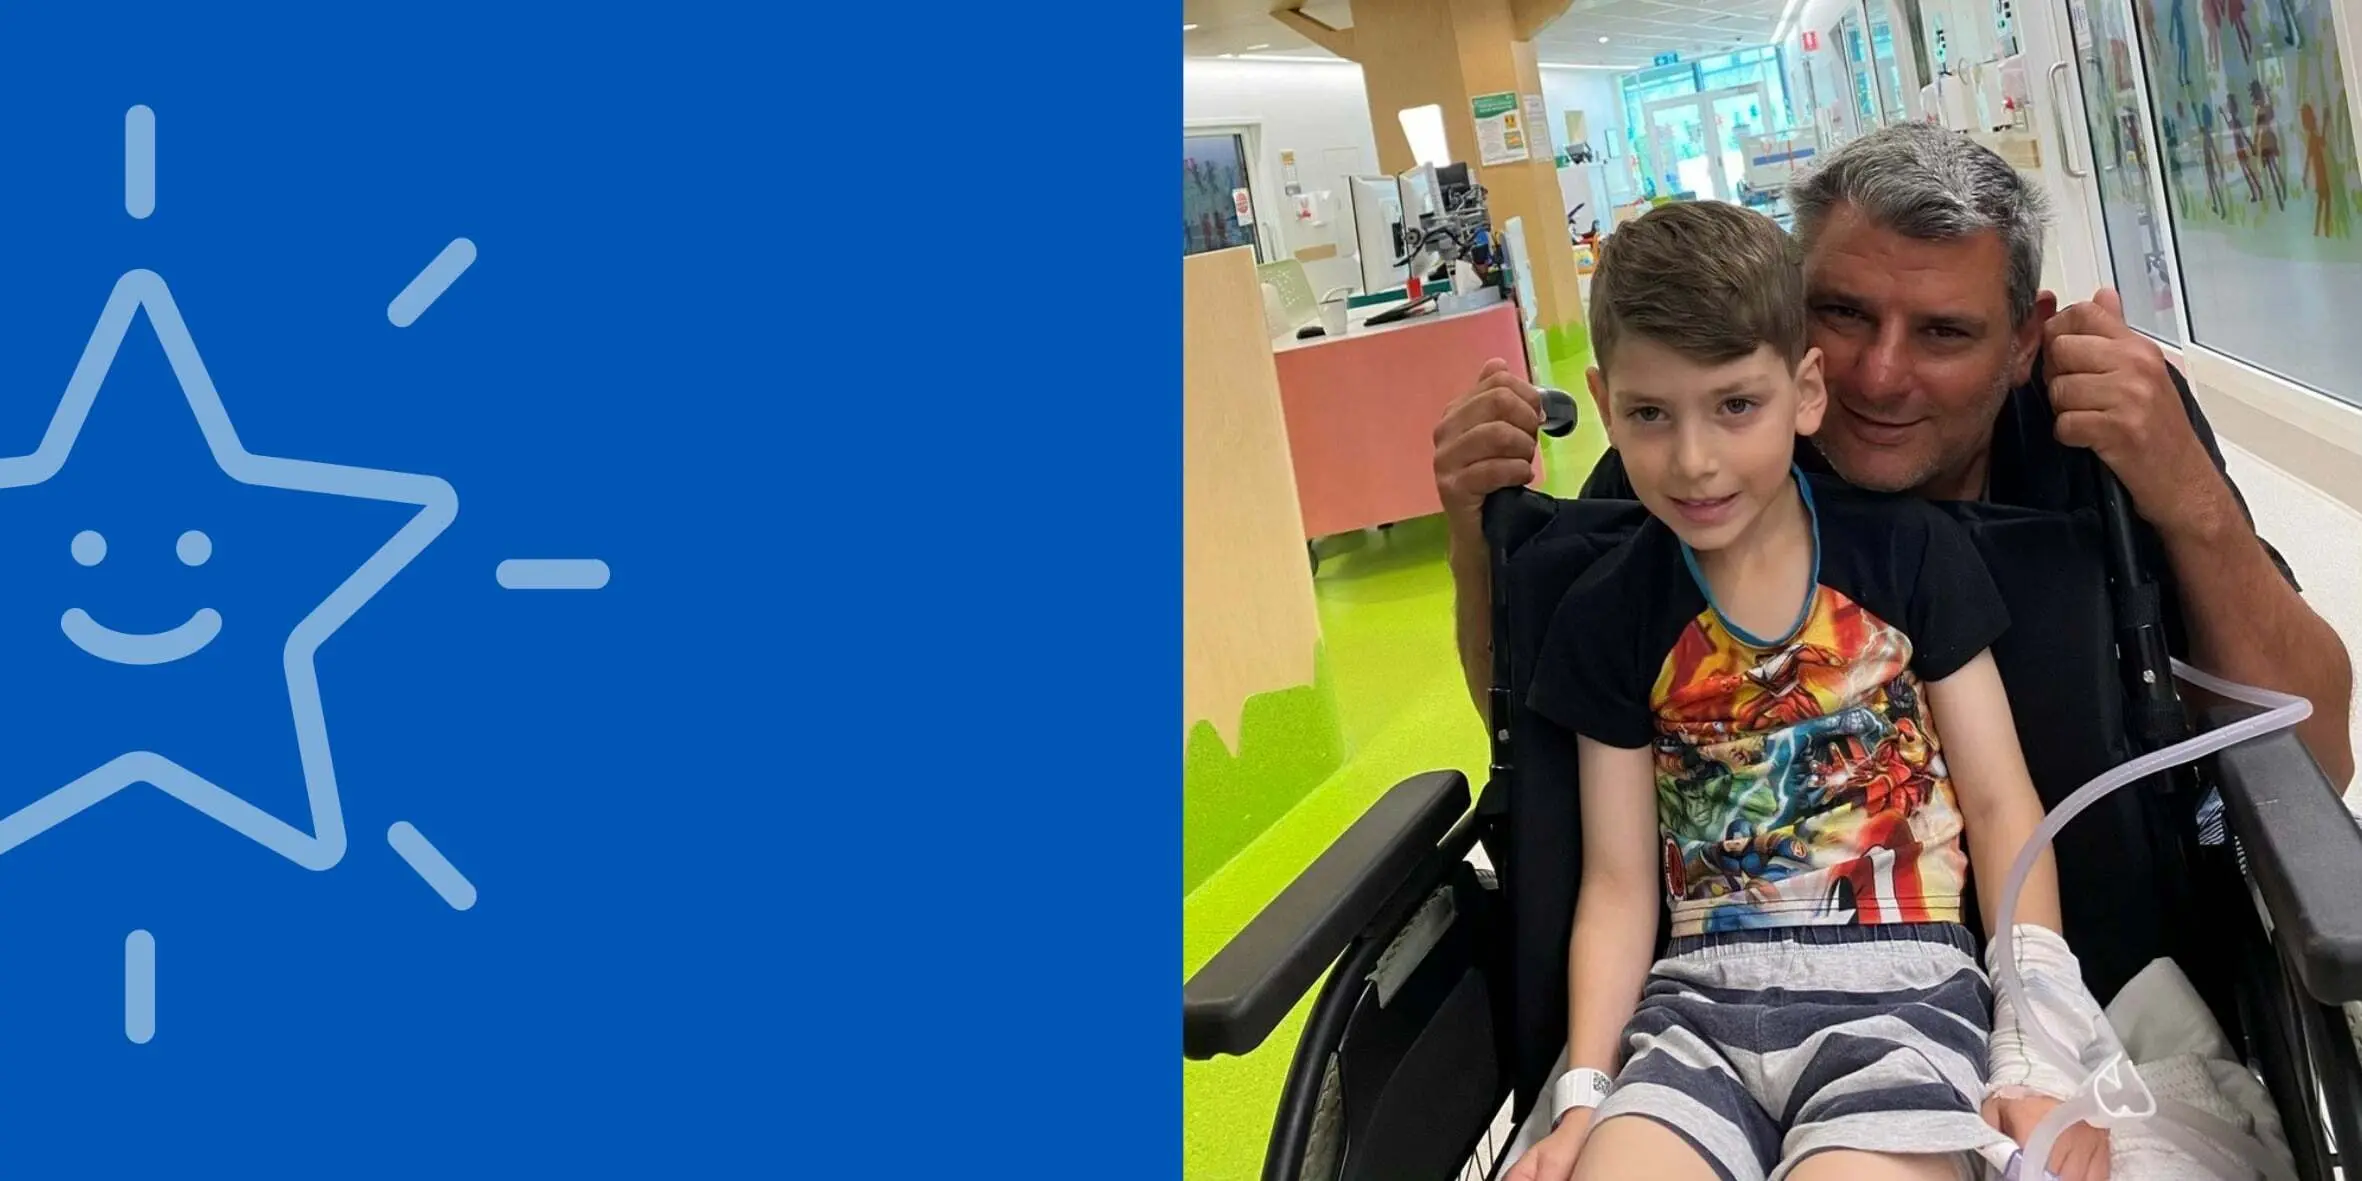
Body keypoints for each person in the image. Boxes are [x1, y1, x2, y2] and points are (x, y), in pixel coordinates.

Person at [1435, 123, 2352, 795]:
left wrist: (2191, 498)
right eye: (1843, 313)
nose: (1879, 376)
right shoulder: (1715, 460)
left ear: (2024, 342)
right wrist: (1477, 543)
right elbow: (1538, 746)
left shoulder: (2095, 439)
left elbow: (2321, 750)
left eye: (1944, 332)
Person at [1502, 201, 2109, 1181]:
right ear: (1604, 404)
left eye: (1736, 405)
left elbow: (2005, 808)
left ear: (1807, 389)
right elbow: (1616, 885)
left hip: (1906, 999)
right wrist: (1582, 1097)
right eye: (1651, 414)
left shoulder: (1910, 557)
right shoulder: (1606, 613)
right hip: (1693, 1013)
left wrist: (2032, 1051)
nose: (1693, 458)